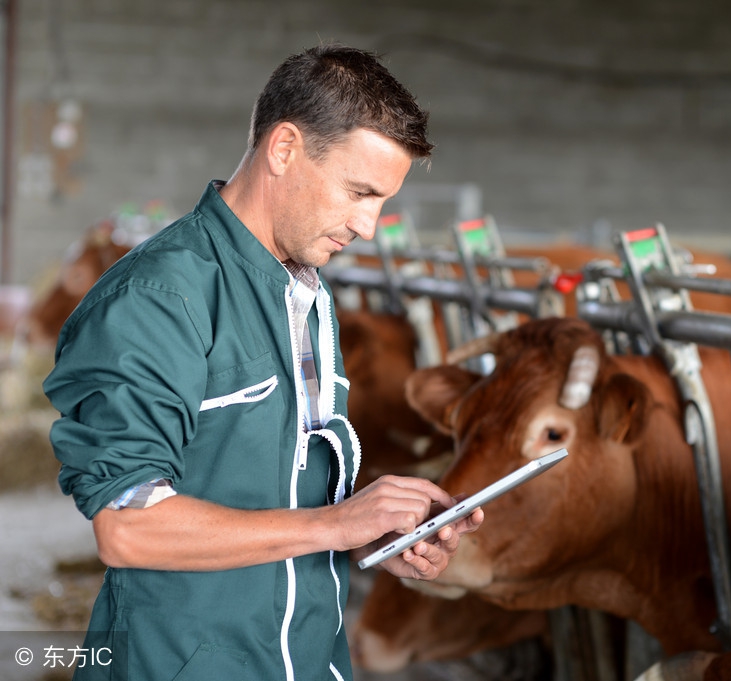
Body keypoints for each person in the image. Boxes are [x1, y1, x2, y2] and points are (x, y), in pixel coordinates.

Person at [43, 44, 483, 681]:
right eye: (359, 192)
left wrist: (378, 533)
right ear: (284, 149)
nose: (369, 225)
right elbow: (128, 529)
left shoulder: (307, 295)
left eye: (382, 202)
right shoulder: (159, 299)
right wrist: (335, 524)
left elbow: (279, 493)